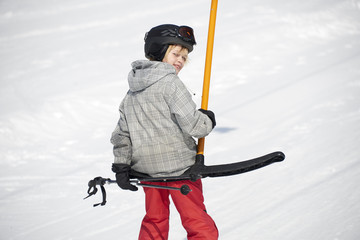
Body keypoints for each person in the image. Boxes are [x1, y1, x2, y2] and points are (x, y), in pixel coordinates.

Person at [111, 24, 218, 240]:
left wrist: (122, 165)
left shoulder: (132, 91)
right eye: (176, 53)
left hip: (147, 173)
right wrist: (207, 119)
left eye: (184, 57)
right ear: (159, 51)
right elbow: (196, 126)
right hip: (180, 171)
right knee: (196, 220)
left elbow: (122, 134)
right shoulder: (171, 84)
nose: (180, 60)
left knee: (155, 219)